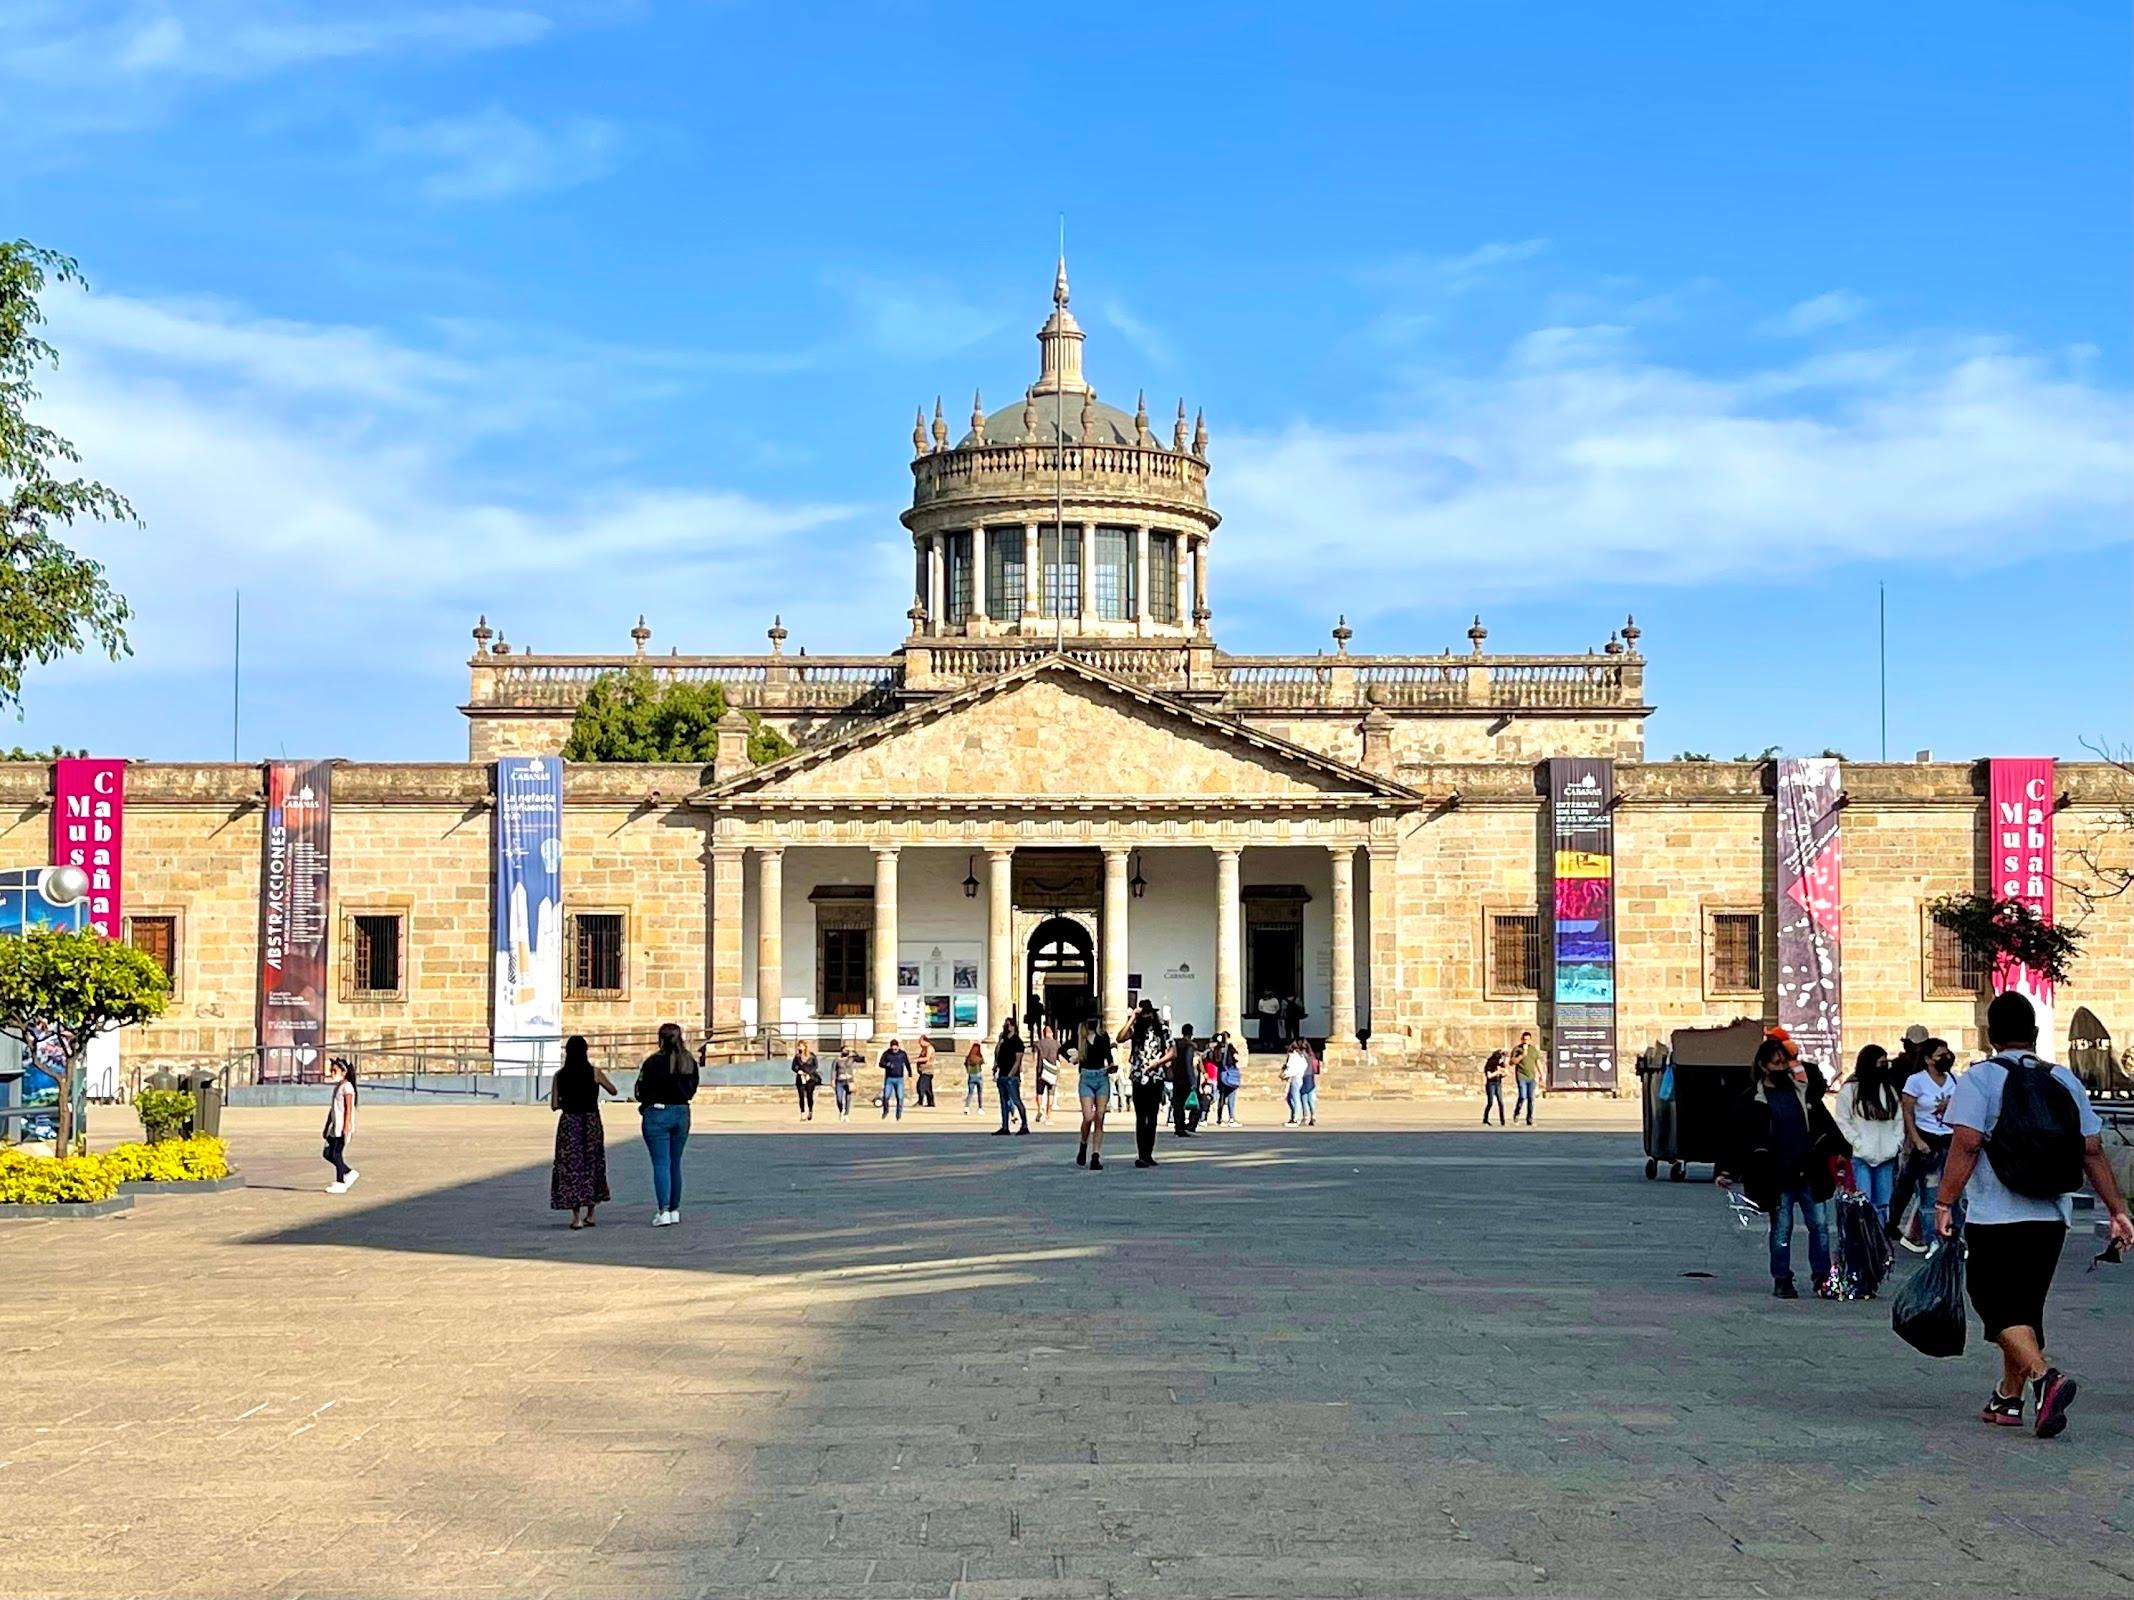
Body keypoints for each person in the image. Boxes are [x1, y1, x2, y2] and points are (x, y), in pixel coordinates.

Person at [1937, 992, 2133, 1437]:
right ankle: (2008, 1400)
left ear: (1990, 1034)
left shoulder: (1980, 1079)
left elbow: (1966, 1144)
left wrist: (1945, 1201)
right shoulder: (2063, 1080)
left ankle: (2046, 1378)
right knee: (2023, 1310)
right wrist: (2117, 1209)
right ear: (2036, 1033)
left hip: (1995, 1215)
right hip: (2051, 1216)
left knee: (1991, 1303)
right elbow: (2093, 1149)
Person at [1720, 1031, 1844, 1298]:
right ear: (1763, 1066)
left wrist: (1841, 1151)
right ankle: (1782, 1278)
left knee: (1820, 1226)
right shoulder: (1753, 1098)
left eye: (1783, 1062)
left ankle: (1822, 1278)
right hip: (1776, 1174)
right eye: (1775, 1062)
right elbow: (1738, 1137)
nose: (1781, 1067)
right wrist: (1727, 1169)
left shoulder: (1802, 1091)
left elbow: (1824, 1120)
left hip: (1809, 1170)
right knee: (1781, 1228)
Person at [1890, 1037, 1959, 1250]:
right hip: (1927, 1141)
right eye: (1941, 1055)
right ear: (1929, 1059)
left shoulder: (1954, 1080)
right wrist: (1916, 1140)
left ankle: (1953, 1239)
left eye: (1947, 1054)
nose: (1946, 1058)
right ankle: (1932, 1241)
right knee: (1929, 1194)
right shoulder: (1916, 1081)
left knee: (1954, 1194)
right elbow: (1908, 1112)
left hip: (1949, 1139)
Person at [549, 1034, 617, 1228]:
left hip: (570, 1123)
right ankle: (591, 1213)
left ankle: (576, 1217)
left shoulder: (560, 1076)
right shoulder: (594, 1072)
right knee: (592, 1163)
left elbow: (554, 1105)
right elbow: (613, 1090)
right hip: (591, 1122)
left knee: (571, 1167)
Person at [635, 1022, 698, 1227]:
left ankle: (663, 1210)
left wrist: (644, 1104)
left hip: (658, 1113)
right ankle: (674, 1209)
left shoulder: (653, 1062)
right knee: (675, 1162)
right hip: (681, 1111)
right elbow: (693, 1088)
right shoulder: (689, 1061)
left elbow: (640, 1089)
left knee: (661, 1163)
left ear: (660, 1039)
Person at [1831, 1043, 1901, 1227]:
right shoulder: (1850, 1090)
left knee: (1883, 1205)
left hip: (1887, 1156)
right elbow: (1843, 1121)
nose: (1884, 1067)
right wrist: (1857, 1144)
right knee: (1864, 1203)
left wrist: (1896, 1144)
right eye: (1880, 1063)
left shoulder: (1889, 1090)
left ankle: (1880, 1245)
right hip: (1861, 1156)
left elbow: (1899, 1120)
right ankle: (1865, 1246)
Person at [1126, 1003, 1170, 1167]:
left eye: (1148, 1014)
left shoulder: (1163, 1031)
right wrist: (1131, 1019)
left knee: (1152, 1118)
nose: (1146, 1017)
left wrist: (1158, 1062)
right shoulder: (1136, 1032)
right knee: (1140, 1118)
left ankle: (1148, 1153)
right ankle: (1141, 1155)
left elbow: (1173, 1052)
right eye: (1143, 1014)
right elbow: (1120, 1037)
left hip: (1156, 1078)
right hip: (1138, 1078)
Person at [1074, 1018, 1115, 1170]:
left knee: (1100, 1115)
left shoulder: (1103, 1037)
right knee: (1088, 1116)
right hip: (1086, 1078)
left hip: (1101, 1077)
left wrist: (1111, 1066)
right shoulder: (1079, 1037)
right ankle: (1083, 1143)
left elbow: (1108, 1056)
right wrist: (1073, 1058)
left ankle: (1095, 1155)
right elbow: (1063, 1049)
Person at [322, 1057, 359, 1193]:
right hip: (334, 1126)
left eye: (334, 1070)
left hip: (342, 1126)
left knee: (337, 1154)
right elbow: (333, 1108)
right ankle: (348, 1172)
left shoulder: (347, 1087)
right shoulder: (338, 1087)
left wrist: (346, 1125)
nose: (332, 1073)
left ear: (343, 1072)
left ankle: (340, 1182)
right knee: (327, 1153)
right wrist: (327, 1126)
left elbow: (349, 1108)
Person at [992, 1017, 1029, 1135]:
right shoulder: (1003, 1041)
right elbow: (997, 1054)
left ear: (1013, 1027)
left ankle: (1024, 1125)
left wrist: (1011, 1075)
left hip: (1011, 1077)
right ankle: (1005, 1127)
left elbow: (1018, 1061)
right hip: (1002, 1074)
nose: (1005, 1027)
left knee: (1016, 1101)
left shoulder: (1017, 1042)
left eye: (1007, 1025)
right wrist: (999, 1041)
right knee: (1003, 1102)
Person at [1168, 1023, 1200, 1137]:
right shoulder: (1189, 1046)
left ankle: (1179, 1126)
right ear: (1191, 1033)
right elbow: (1188, 1064)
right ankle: (1190, 1125)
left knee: (1178, 1104)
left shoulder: (1177, 1044)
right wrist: (1193, 1081)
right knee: (1195, 1103)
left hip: (1177, 1077)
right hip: (1186, 1078)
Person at [1510, 1031, 1539, 1125]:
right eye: (1524, 1039)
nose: (1526, 1041)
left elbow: (1537, 1061)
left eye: (1528, 1039)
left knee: (1531, 1098)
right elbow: (1512, 1062)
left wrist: (1541, 1073)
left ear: (1530, 1040)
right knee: (1522, 1096)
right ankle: (1517, 1113)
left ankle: (1529, 1118)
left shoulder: (1534, 1050)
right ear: (1521, 1039)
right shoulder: (1517, 1049)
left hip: (1531, 1077)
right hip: (1521, 1076)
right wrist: (1522, 1055)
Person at [1034, 1024, 1062, 1124]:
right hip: (1052, 1070)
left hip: (1041, 1071)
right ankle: (1048, 1117)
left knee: (1039, 1092)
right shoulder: (1056, 1044)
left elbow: (1035, 1057)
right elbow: (1059, 1057)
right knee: (1051, 1094)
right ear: (1052, 1033)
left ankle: (1039, 1108)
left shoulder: (1039, 1043)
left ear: (1043, 1033)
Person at [878, 1038, 910, 1120]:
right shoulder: (887, 1054)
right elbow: (881, 1063)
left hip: (899, 1078)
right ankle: (886, 1110)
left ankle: (898, 1115)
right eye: (893, 1048)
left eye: (895, 1048)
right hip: (889, 1078)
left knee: (900, 1097)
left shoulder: (902, 1054)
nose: (894, 1050)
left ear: (898, 1047)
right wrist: (887, 1064)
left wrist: (910, 1074)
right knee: (886, 1096)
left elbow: (907, 1064)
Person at [1214, 1033, 1242, 1125]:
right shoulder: (1229, 1047)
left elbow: (1216, 1060)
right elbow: (1236, 1058)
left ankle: (1219, 1118)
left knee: (1221, 1098)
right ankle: (1231, 1118)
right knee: (1231, 1097)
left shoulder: (1217, 1048)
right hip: (1230, 1075)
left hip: (1221, 1075)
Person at [790, 1040, 821, 1121]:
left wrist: (809, 1073)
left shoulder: (812, 1056)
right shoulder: (797, 1057)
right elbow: (793, 1067)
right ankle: (802, 1113)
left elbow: (815, 1066)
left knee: (809, 1096)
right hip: (800, 1078)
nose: (799, 1047)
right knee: (801, 1096)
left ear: (805, 1046)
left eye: (800, 1046)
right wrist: (798, 1071)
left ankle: (810, 1111)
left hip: (810, 1078)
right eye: (798, 1046)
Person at [1482, 1049, 1509, 1127]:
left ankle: (1502, 1120)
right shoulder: (1490, 1063)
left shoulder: (1501, 1064)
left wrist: (1504, 1073)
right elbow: (1489, 1076)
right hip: (1491, 1084)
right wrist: (1497, 1072)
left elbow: (1503, 1073)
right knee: (1490, 1102)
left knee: (1501, 1102)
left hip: (1498, 1083)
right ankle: (1485, 1119)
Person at [832, 1044, 858, 1120]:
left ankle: (846, 1114)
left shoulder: (851, 1059)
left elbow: (861, 1058)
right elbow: (833, 1070)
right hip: (839, 1080)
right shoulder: (837, 1059)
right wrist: (832, 1080)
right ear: (841, 1050)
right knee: (839, 1098)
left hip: (849, 1081)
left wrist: (854, 1051)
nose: (846, 1051)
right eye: (844, 1049)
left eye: (847, 1050)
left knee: (848, 1098)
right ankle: (841, 1110)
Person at [961, 1040, 986, 1114]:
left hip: (971, 1075)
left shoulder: (969, 1057)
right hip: (978, 1075)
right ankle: (980, 1108)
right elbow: (982, 1062)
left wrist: (968, 1071)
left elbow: (965, 1064)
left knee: (970, 1093)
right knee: (980, 1093)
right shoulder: (979, 1056)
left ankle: (966, 1107)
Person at [913, 1034, 936, 1109]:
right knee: (927, 1088)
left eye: (921, 1042)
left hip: (927, 1071)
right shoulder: (924, 1048)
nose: (920, 1044)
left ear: (925, 1041)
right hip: (923, 1071)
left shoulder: (929, 1048)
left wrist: (917, 1060)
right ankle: (931, 1102)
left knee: (921, 1086)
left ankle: (920, 1101)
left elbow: (927, 1058)